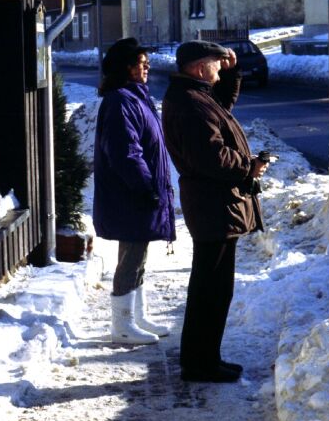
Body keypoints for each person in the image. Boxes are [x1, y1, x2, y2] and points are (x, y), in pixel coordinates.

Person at [162, 40, 268, 382]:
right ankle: (199, 364)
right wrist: (247, 167)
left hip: (214, 204)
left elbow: (221, 107)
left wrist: (233, 71)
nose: (219, 69)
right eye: (215, 63)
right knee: (210, 289)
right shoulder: (190, 104)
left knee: (214, 287)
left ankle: (206, 358)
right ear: (197, 67)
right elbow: (212, 157)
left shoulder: (194, 96)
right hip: (213, 205)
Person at [93, 37, 176, 345]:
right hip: (130, 195)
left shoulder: (134, 98)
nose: (147, 67)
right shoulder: (121, 102)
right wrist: (144, 187)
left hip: (136, 194)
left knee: (138, 255)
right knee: (131, 257)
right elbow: (126, 152)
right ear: (127, 69)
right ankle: (122, 325)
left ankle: (136, 316)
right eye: (142, 64)